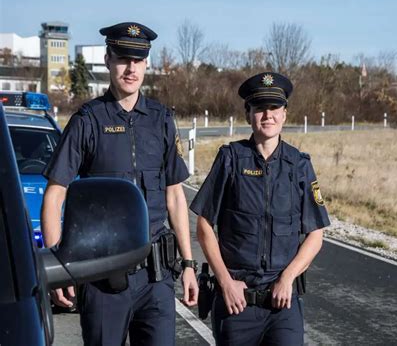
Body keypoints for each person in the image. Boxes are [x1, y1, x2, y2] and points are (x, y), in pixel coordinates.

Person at [41, 22, 198, 346]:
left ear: (146, 63)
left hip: (157, 278)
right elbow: (55, 195)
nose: (131, 68)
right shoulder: (88, 121)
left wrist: (188, 264)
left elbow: (175, 198)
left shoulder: (161, 120)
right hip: (102, 279)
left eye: (138, 60)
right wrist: (59, 266)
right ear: (108, 59)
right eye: (123, 58)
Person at [191, 72, 330, 345]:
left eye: (274, 108)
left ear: (285, 114)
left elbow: (316, 234)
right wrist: (225, 283)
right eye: (259, 108)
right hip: (237, 303)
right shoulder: (230, 159)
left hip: (283, 302)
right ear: (248, 114)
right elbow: (204, 225)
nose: (268, 115)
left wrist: (288, 278)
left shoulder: (299, 165)